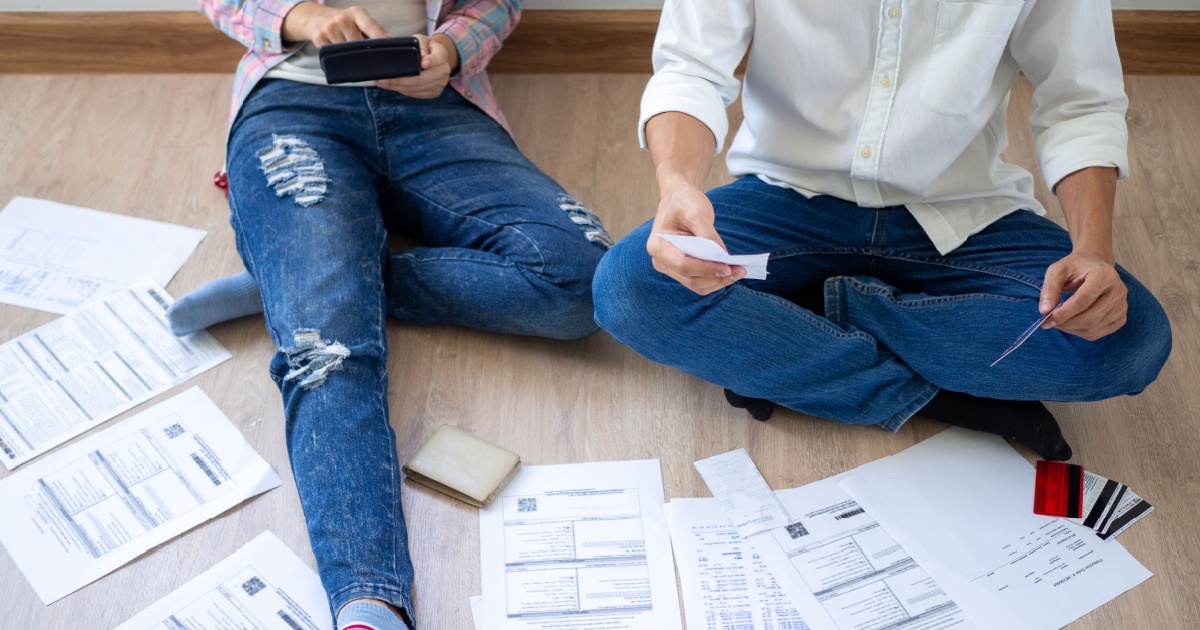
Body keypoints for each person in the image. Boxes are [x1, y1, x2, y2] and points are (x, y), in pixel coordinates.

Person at [593, 0, 1172, 462]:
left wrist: (1094, 251)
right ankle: (939, 399)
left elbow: (1080, 102)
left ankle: (800, 327)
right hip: (789, 197)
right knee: (631, 287)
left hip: (960, 212)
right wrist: (678, 185)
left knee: (1127, 341)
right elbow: (690, 70)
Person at [188, 1, 611, 628]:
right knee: (325, 351)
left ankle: (303, 281)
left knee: (586, 279)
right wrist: (301, 16)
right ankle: (368, 600)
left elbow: (497, 3)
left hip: (436, 106)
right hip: (293, 103)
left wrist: (452, 49)